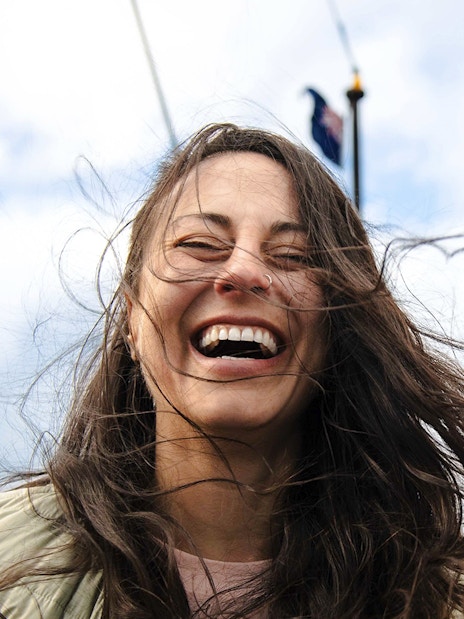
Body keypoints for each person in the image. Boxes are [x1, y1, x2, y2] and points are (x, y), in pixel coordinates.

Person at [1, 122, 464, 619]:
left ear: (338, 334)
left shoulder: (436, 596)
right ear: (132, 320)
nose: (243, 270)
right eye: (199, 244)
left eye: (293, 255)